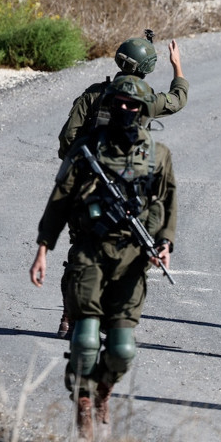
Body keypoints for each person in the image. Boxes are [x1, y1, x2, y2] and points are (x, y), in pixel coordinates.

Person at [30, 74, 178, 442]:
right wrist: (44, 248)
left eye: (133, 105)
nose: (125, 109)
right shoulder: (86, 149)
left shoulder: (157, 155)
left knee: (122, 349)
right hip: (90, 253)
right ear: (110, 106)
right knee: (84, 341)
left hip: (132, 261)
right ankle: (83, 403)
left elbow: (167, 203)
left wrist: (165, 243)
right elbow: (60, 200)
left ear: (143, 111)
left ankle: (103, 392)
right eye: (119, 103)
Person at [54, 33, 188, 338]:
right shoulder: (144, 99)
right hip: (126, 192)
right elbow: (178, 99)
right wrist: (177, 66)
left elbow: (67, 139)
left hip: (85, 190)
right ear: (146, 67)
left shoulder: (93, 94)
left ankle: (69, 318)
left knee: (81, 250)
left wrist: (84, 168)